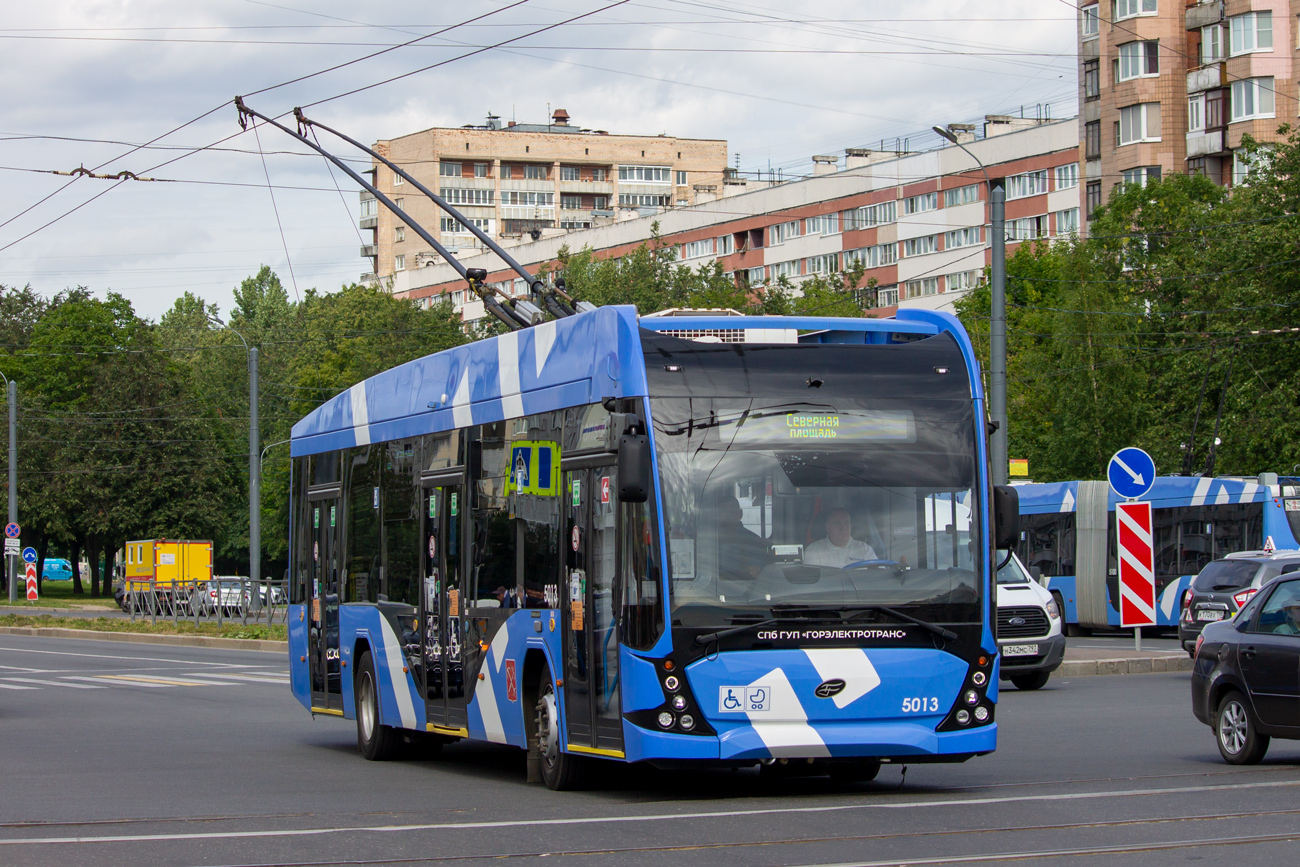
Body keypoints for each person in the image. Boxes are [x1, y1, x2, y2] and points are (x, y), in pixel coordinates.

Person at [717, 496, 770, 580]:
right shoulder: (708, 539)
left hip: (743, 584)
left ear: (740, 513)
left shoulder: (754, 541)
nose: (728, 516)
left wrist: (755, 568)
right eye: (724, 512)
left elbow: (761, 566)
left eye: (732, 512)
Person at [804, 508, 877, 568]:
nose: (843, 528)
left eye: (847, 523)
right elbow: (812, 580)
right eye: (838, 523)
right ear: (828, 527)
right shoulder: (813, 551)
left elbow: (877, 576)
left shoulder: (865, 550)